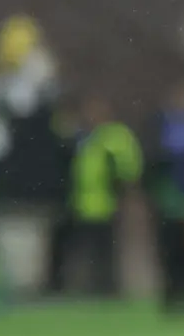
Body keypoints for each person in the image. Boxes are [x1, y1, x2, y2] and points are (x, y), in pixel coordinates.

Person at [55, 99, 141, 298]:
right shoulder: (88, 137)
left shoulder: (114, 136)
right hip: (84, 202)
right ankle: (90, 287)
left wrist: (122, 193)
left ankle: (107, 288)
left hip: (107, 202)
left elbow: (127, 169)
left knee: (105, 249)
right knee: (87, 248)